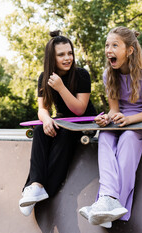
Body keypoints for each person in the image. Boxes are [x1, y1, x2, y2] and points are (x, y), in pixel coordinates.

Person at [79, 26, 142, 228]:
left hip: (141, 122)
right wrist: (107, 118)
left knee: (128, 139)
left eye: (115, 45)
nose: (109, 50)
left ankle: (110, 206)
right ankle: (107, 200)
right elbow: (115, 110)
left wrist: (129, 121)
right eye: (107, 45)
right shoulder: (109, 74)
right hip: (121, 121)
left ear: (130, 50)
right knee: (104, 136)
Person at [19, 30, 97, 216]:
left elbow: (79, 109)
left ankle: (47, 189)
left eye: (70, 53)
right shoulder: (44, 77)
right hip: (61, 119)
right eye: (61, 54)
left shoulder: (81, 75)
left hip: (83, 123)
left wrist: (61, 87)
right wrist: (46, 120)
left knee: (63, 134)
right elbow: (42, 108)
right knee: (39, 131)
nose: (67, 58)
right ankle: (35, 186)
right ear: (52, 58)